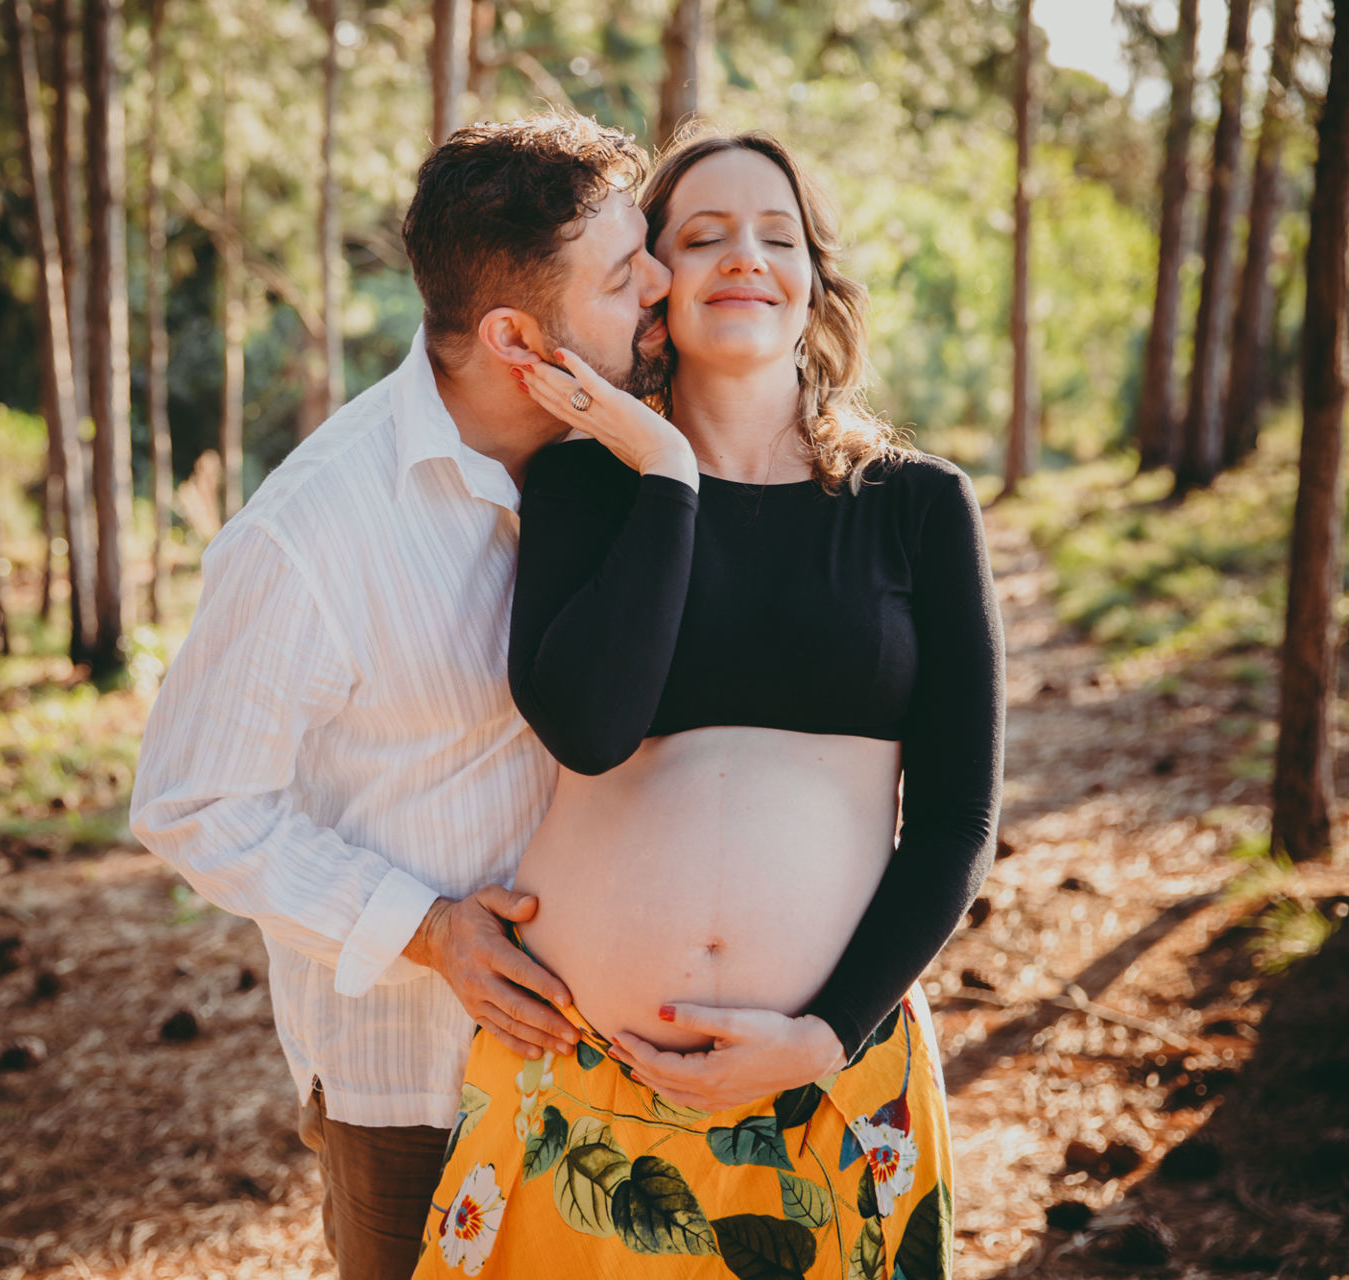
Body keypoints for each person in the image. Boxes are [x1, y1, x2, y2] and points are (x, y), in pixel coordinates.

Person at [412, 130, 1004, 1279]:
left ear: (814, 282)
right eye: (701, 236)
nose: (745, 257)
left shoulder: (920, 505)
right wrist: (668, 476)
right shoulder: (584, 479)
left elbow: (954, 822)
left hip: (829, 1084)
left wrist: (821, 1036)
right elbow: (588, 725)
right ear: (653, 286)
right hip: (581, 1095)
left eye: (777, 236)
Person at [129, 113, 683, 1280]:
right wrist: (426, 931)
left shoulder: (632, 453)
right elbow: (193, 799)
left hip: (628, 1069)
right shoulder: (313, 531)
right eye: (625, 274)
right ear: (516, 335)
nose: (661, 285)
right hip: (418, 1086)